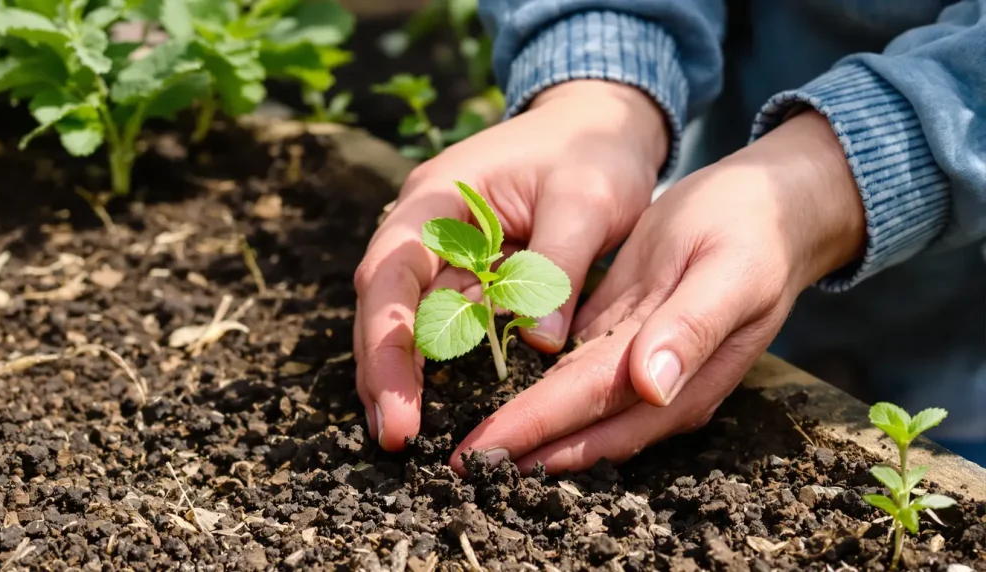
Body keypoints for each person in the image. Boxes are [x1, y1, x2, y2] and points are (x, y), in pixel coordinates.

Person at [353, 0, 986, 472]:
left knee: (943, 464)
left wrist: (829, 177)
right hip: (722, 218)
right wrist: (597, 87)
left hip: (966, 334)